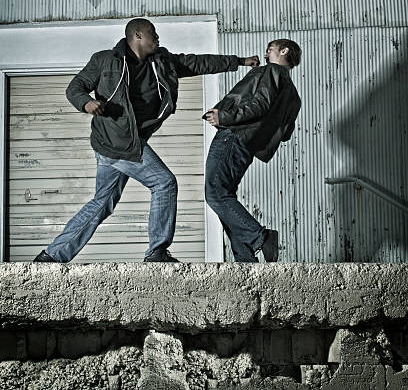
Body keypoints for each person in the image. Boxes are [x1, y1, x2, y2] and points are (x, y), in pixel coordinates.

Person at [33, 18, 259, 263]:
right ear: (137, 36)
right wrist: (86, 103)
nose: (158, 37)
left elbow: (197, 62)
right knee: (164, 183)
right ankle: (157, 252)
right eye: (153, 33)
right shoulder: (105, 60)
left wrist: (239, 61)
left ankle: (52, 255)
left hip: (121, 142)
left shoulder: (161, 61)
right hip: (118, 140)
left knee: (102, 202)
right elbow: (75, 87)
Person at [204, 39, 301, 263]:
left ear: (284, 51)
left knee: (215, 192)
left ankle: (261, 237)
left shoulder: (271, 71)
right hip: (248, 147)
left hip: (233, 137)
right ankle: (245, 258)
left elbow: (260, 104)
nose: (266, 52)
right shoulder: (293, 96)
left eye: (271, 48)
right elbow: (284, 133)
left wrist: (225, 116)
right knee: (225, 196)